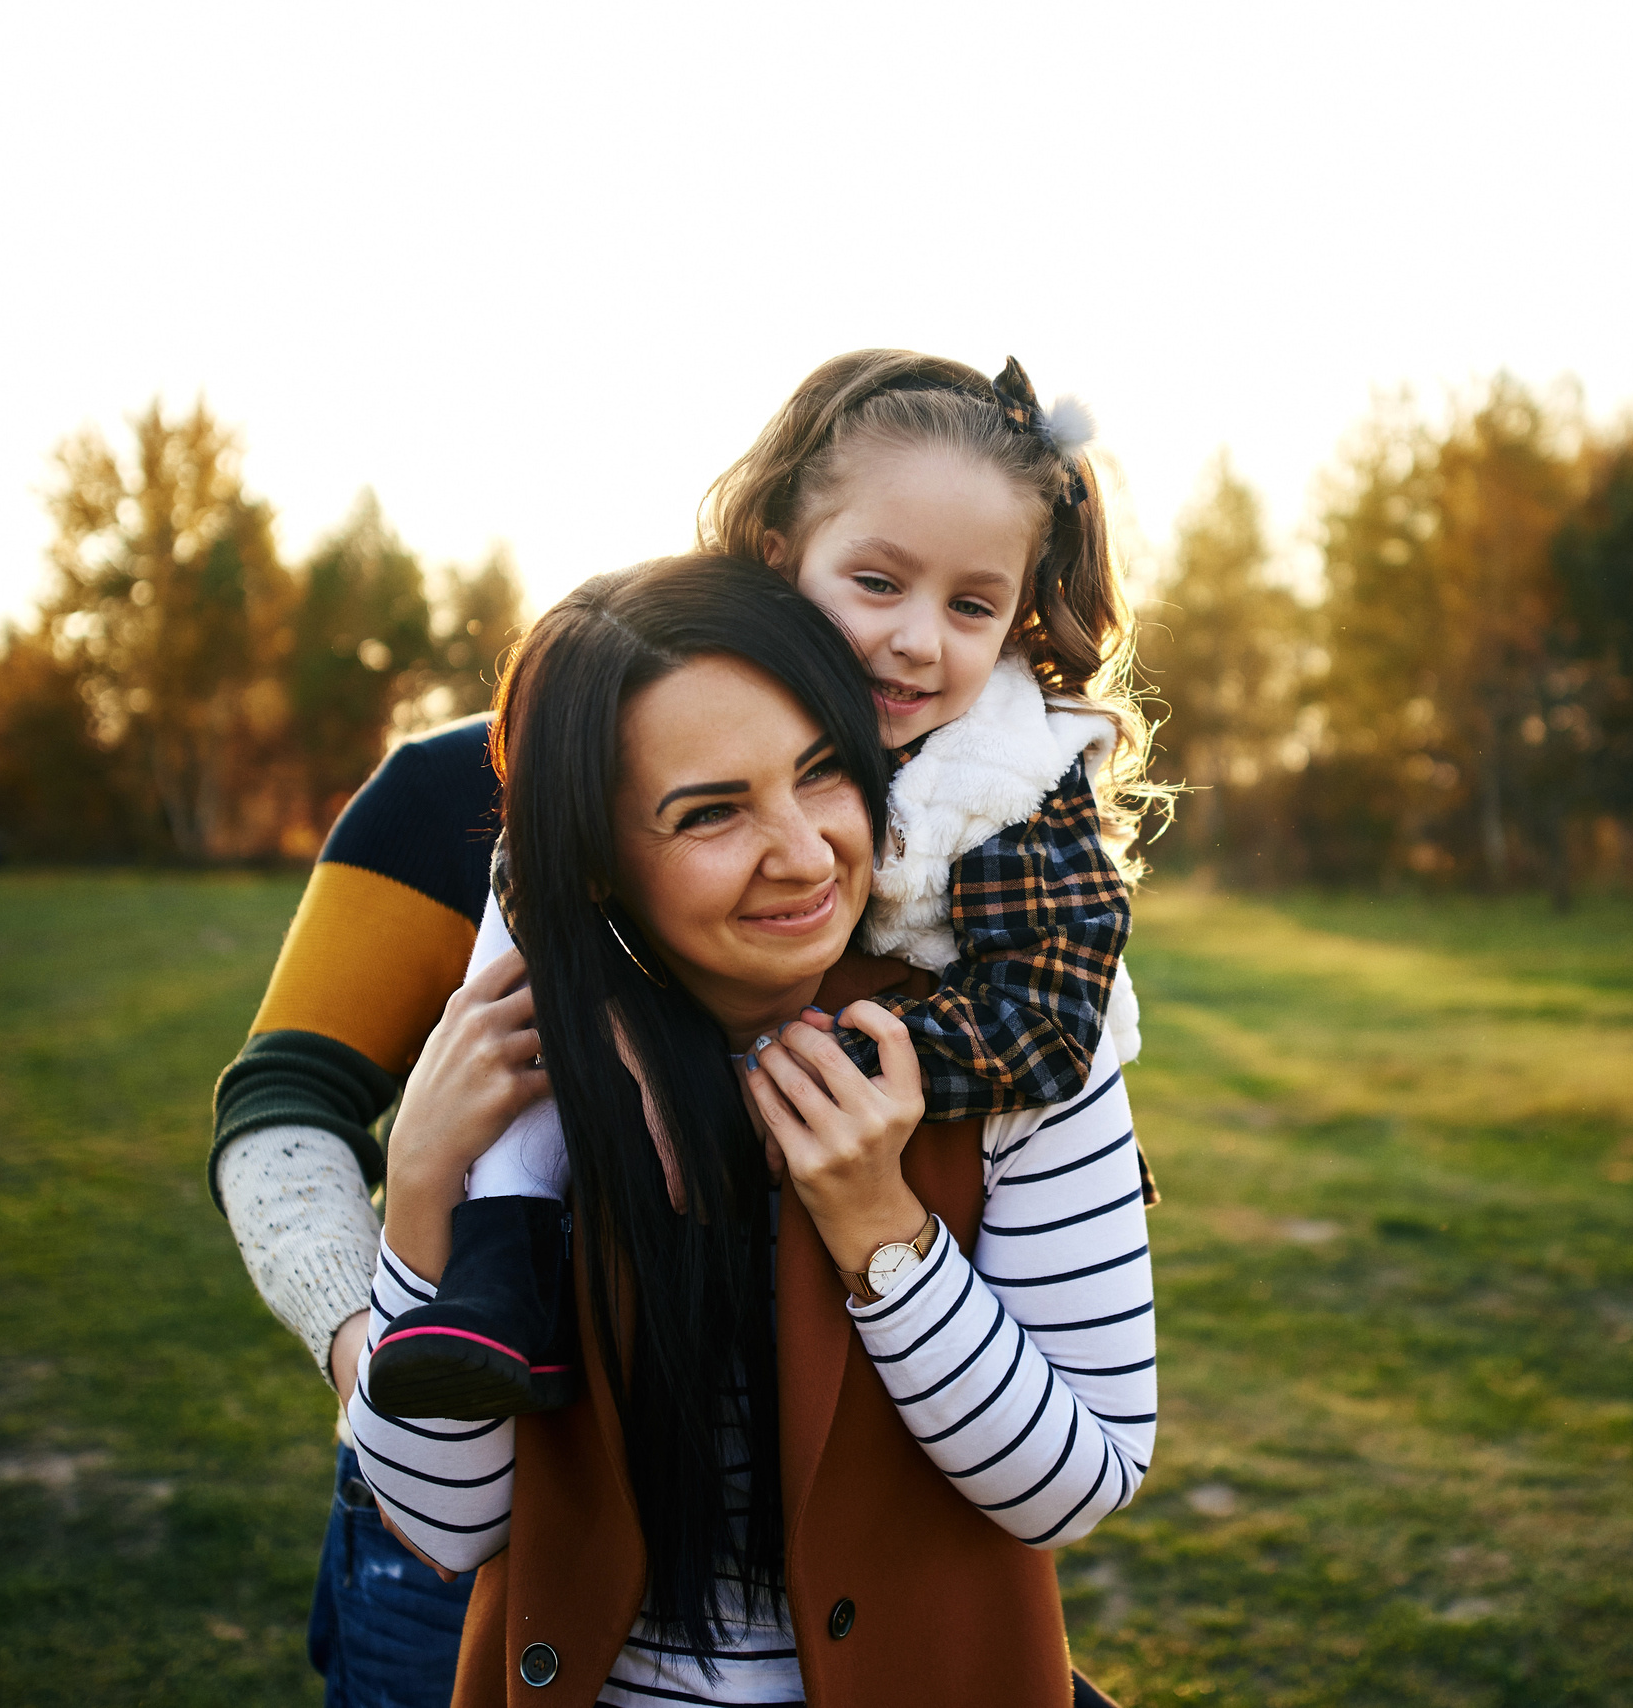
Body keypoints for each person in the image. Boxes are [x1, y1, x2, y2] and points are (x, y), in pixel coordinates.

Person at [207, 351, 1155, 1704]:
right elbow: (289, 1101)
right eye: (707, 810)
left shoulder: (987, 973)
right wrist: (416, 1197)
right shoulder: (480, 822)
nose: (804, 850)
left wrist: (879, 1221)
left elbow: (1074, 1472)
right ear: (782, 548)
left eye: (829, 775)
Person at [368, 354, 1151, 1419]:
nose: (915, 640)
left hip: (909, 1077)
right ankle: (504, 1250)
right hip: (648, 1033)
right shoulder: (696, 681)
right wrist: (603, 1011)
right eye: (877, 583)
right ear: (781, 557)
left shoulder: (1011, 778)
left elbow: (1051, 1014)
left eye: (971, 605)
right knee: (522, 927)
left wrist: (789, 1074)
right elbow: (549, 864)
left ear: (1017, 618)